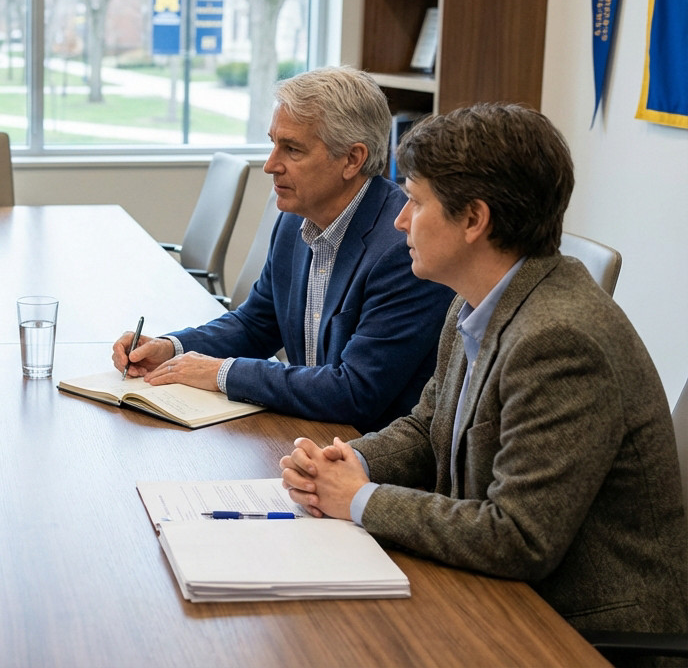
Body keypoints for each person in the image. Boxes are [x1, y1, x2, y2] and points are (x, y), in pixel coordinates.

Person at [280, 103, 688, 639]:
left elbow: (518, 536)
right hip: (499, 592)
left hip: (582, 630)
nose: (400, 220)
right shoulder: (473, 299)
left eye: (416, 202)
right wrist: (347, 460)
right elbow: (429, 428)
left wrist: (358, 498)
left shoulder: (561, 341)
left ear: (474, 219)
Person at [114, 66, 453, 431]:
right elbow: (256, 324)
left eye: (292, 149)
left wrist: (219, 372)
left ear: (352, 160)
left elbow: (355, 392)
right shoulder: (294, 220)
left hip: (366, 454)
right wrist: (172, 348)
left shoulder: (401, 248)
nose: (270, 165)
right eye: (273, 143)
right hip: (309, 431)